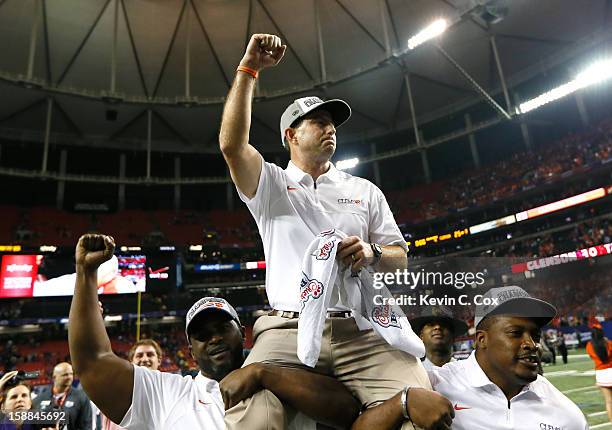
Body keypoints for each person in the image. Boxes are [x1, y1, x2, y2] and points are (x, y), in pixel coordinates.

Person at [219, 33, 443, 430]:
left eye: (332, 124)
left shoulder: (363, 190)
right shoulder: (270, 184)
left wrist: (372, 253)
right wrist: (249, 69)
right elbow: (232, 145)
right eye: (318, 122)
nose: (330, 129)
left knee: (425, 411)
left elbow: (400, 256)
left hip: (362, 328)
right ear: (291, 135)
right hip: (287, 327)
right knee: (253, 415)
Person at [68, 234, 365, 430]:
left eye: (223, 327)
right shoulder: (168, 393)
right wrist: (86, 274)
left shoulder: (283, 374)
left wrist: (265, 374)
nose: (214, 338)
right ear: (190, 351)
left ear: (242, 333)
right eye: (202, 334)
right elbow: (92, 362)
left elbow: (348, 410)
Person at [351, 286, 589, 430]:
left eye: (535, 335)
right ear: (482, 339)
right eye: (515, 333)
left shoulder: (567, 416)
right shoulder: (433, 384)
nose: (531, 344)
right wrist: (401, 403)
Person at [94, 339, 164, 430]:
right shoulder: (115, 393)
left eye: (150, 355)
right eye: (139, 355)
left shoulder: (171, 392)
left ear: (159, 360)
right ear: (131, 361)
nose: (145, 359)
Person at [32, 362, 92, 430]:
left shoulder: (82, 397)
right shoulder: (39, 399)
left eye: (71, 374)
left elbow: (86, 426)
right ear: (54, 377)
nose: (69, 377)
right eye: (65, 375)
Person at [586, 319, 612, 422]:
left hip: (601, 374)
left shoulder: (589, 346)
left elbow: (592, 357)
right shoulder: (608, 343)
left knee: (609, 402)